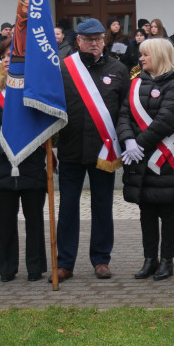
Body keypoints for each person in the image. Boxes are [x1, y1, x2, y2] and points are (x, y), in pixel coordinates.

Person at [55, 18, 130, 281]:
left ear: (104, 40)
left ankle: (101, 259)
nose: (94, 44)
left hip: (104, 152)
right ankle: (64, 263)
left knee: (102, 206)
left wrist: (126, 141)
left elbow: (124, 111)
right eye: (88, 40)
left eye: (98, 39)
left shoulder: (118, 70)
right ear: (78, 41)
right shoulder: (64, 69)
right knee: (67, 208)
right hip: (70, 149)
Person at [117, 38, 174, 281]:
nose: (141, 58)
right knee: (146, 211)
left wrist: (138, 142)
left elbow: (167, 120)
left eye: (146, 54)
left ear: (158, 55)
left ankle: (167, 260)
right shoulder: (136, 82)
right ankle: (150, 259)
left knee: (167, 211)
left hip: (165, 159)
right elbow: (124, 113)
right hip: (139, 158)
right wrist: (127, 140)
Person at [0, 38, 48, 282]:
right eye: (4, 56)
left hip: (31, 159)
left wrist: (26, 144)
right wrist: (2, 147)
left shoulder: (36, 88)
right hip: (2, 162)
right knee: (6, 218)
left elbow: (43, 120)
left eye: (13, 55)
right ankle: (7, 268)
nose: (8, 59)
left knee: (35, 218)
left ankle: (35, 267)